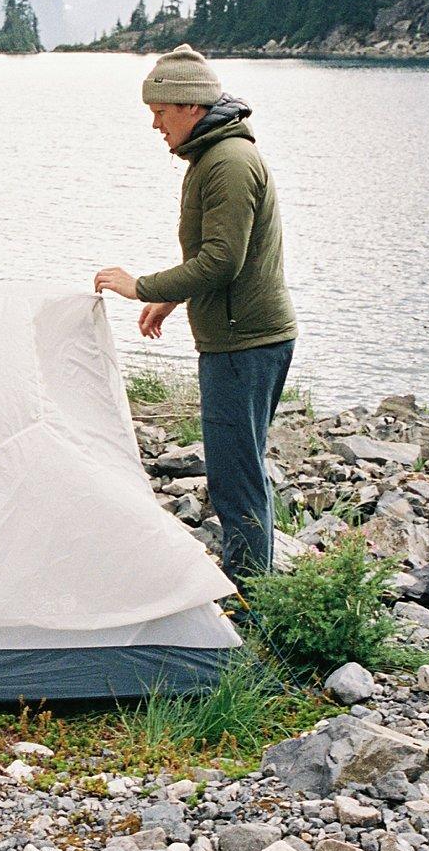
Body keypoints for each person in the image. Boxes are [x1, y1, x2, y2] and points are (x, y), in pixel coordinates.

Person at [94, 45, 297, 586]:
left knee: (236, 478)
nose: (155, 124)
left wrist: (142, 287)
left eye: (159, 112)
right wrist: (175, 297)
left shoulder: (227, 163)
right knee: (242, 468)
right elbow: (218, 254)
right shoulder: (215, 155)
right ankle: (256, 586)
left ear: (188, 106)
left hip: (244, 343)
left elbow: (222, 262)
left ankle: (250, 600)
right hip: (247, 337)